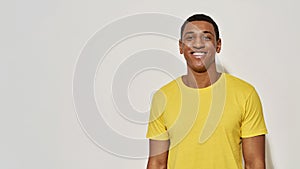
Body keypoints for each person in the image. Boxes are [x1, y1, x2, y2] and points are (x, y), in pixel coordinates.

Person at [146, 14, 268, 169]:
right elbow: (157, 163)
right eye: (190, 38)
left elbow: (254, 163)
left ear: (218, 45)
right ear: (181, 46)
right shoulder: (162, 97)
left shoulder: (245, 94)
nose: (198, 44)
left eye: (206, 38)